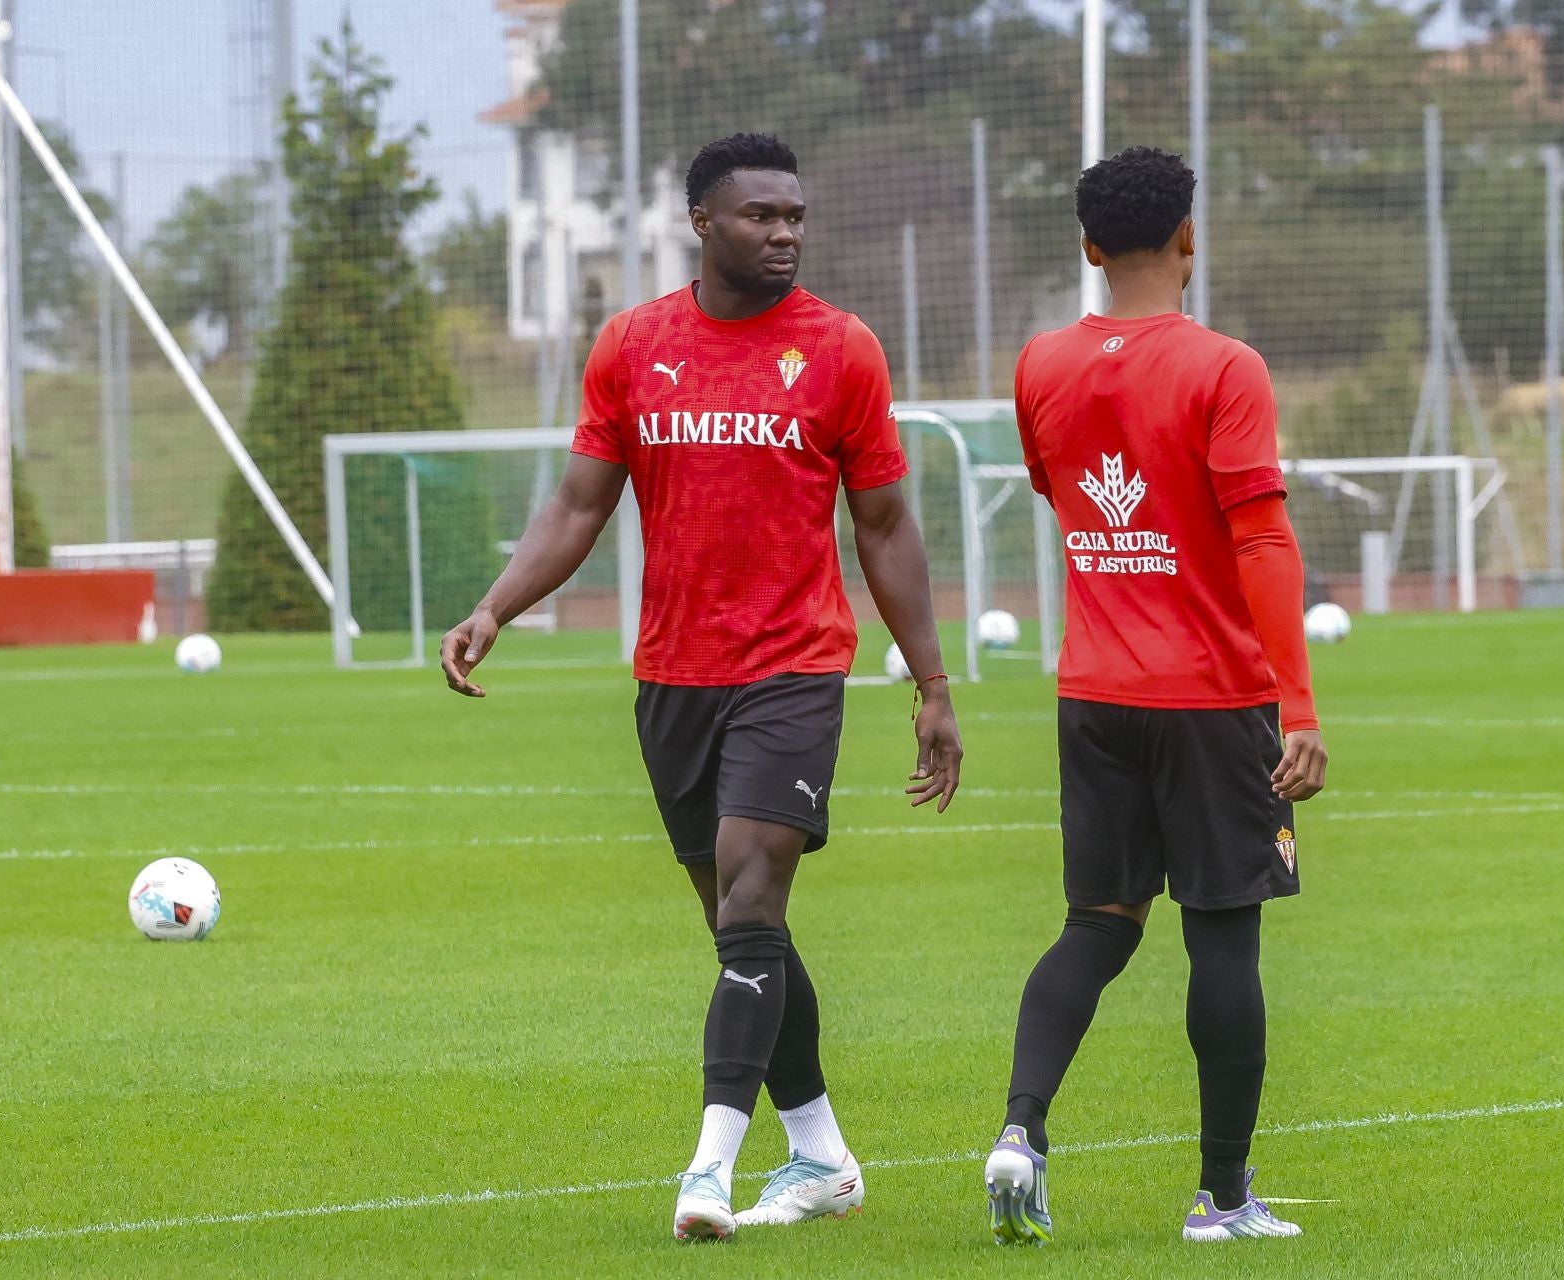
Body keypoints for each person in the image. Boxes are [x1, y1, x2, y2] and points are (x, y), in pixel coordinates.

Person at [440, 133, 963, 1243]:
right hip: (673, 677)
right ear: (702, 224)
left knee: (749, 902)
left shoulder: (841, 349)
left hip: (793, 668)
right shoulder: (634, 346)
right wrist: (496, 605)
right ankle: (821, 1152)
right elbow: (580, 505)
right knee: (745, 937)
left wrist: (932, 681)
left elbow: (883, 524)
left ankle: (708, 1169)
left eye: (795, 217)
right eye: (760, 216)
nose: (784, 234)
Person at [981, 146, 1327, 1246]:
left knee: (1096, 923)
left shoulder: (1040, 363)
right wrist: (1301, 707)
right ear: (1190, 235)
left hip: (1093, 689)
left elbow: (1062, 492)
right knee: (1223, 941)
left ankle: (1020, 1132)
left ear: (1088, 245)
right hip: (1211, 695)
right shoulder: (1227, 367)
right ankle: (1223, 1197)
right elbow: (1262, 537)